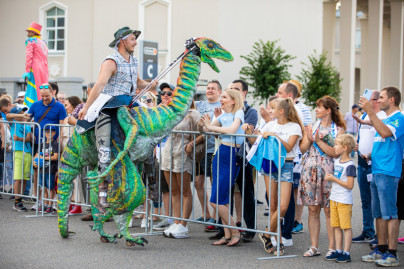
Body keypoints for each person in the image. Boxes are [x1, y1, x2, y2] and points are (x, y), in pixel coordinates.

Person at [77, 27, 157, 208]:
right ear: (122, 41)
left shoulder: (134, 60)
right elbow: (99, 85)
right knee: (104, 146)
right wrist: (87, 106)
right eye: (132, 39)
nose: (135, 42)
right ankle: (102, 192)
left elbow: (137, 83)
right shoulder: (110, 61)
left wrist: (149, 84)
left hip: (129, 102)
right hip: (111, 103)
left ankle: (152, 183)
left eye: (135, 39)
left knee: (149, 134)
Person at [245, 98, 303, 255]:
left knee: (283, 206)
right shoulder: (270, 124)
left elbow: (290, 146)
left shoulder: (295, 127)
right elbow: (256, 142)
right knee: (273, 205)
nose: (270, 110)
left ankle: (266, 233)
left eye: (273, 108)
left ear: (281, 111)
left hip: (286, 165)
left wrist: (274, 136)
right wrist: (249, 133)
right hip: (270, 164)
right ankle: (275, 238)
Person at [359, 86, 404, 267]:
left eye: (382, 98)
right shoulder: (385, 118)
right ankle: (381, 248)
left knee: (390, 214)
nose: (378, 101)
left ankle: (392, 254)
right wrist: (371, 154)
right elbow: (381, 141)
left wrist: (371, 112)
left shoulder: (399, 118)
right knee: (378, 213)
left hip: (388, 171)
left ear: (392, 99)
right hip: (377, 169)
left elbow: (386, 133)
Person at [298, 96, 345, 257]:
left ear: (328, 110)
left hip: (329, 170)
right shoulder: (312, 126)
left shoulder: (338, 129)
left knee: (328, 210)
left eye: (319, 107)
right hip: (310, 169)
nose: (316, 110)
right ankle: (314, 246)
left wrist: (317, 141)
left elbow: (335, 153)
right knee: (312, 209)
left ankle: (332, 247)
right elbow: (303, 149)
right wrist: (308, 138)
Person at [7, 83, 67, 210]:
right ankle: (38, 199)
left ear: (52, 93)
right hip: (38, 143)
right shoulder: (35, 105)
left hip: (53, 144)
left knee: (53, 173)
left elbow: (62, 126)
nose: (44, 98)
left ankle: (52, 201)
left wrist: (60, 144)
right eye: (43, 96)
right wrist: (19, 115)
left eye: (47, 96)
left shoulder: (59, 107)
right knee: (37, 171)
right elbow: (26, 119)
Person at [199, 88, 244, 247]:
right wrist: (206, 123)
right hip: (221, 153)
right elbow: (207, 130)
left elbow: (231, 130)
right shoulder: (222, 115)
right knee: (222, 200)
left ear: (233, 100)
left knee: (215, 201)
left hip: (232, 154)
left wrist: (211, 126)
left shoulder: (238, 113)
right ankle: (227, 234)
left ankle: (235, 231)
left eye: (224, 97)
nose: (221, 99)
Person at [274, 80, 313, 245]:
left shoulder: (296, 111)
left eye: (280, 93)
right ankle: (279, 231)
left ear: (288, 96)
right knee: (279, 199)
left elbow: (298, 137)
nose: (277, 95)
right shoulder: (280, 114)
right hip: (278, 160)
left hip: (290, 160)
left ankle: (285, 233)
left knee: (287, 199)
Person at [161, 100, 200, 239]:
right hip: (168, 151)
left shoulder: (193, 113)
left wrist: (192, 143)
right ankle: (177, 222)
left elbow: (204, 132)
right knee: (174, 190)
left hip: (182, 151)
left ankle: (184, 224)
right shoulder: (171, 112)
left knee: (185, 190)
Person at [351, 90, 385, 243]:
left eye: (367, 100)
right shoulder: (364, 116)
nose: (363, 103)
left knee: (377, 201)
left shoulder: (381, 117)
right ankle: (368, 231)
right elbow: (362, 134)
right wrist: (357, 145)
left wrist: (370, 152)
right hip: (362, 163)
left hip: (374, 163)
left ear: (376, 101)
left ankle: (380, 236)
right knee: (365, 201)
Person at [228, 79, 258, 243]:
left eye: (236, 89)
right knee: (226, 192)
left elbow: (249, 131)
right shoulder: (227, 109)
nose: (233, 91)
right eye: (231, 88)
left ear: (244, 92)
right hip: (227, 155)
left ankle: (250, 229)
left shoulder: (250, 111)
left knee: (246, 193)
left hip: (243, 156)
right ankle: (225, 228)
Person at [324, 134, 356, 263]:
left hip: (344, 200)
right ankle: (338, 250)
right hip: (334, 198)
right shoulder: (337, 161)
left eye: (336, 144)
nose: (334, 147)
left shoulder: (350, 165)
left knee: (346, 227)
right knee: (336, 226)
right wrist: (332, 177)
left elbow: (350, 185)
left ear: (345, 147)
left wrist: (333, 179)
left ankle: (346, 252)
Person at [194, 80, 222, 226]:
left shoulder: (221, 107)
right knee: (198, 182)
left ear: (219, 92)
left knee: (213, 183)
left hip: (214, 150)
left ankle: (215, 216)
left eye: (213, 89)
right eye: (208, 88)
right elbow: (188, 103)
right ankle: (205, 213)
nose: (210, 90)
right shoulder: (201, 104)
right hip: (201, 150)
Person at [62, 96, 83, 215]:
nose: (66, 107)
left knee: (76, 179)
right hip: (66, 152)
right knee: (68, 179)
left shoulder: (76, 118)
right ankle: (71, 202)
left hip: (74, 150)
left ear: (73, 105)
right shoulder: (66, 118)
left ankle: (78, 204)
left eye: (67, 104)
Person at [9, 106, 32, 212]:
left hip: (27, 152)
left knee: (24, 179)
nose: (24, 114)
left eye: (24, 112)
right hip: (18, 152)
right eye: (21, 112)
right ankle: (16, 201)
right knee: (18, 178)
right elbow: (8, 116)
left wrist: (19, 138)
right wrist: (21, 115)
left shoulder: (27, 125)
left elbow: (28, 138)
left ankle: (20, 200)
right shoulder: (13, 123)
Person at [33, 126, 59, 214]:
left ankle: (50, 205)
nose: (49, 133)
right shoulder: (42, 144)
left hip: (51, 169)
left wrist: (43, 157)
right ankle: (45, 204)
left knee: (50, 188)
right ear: (44, 133)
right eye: (47, 132)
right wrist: (34, 162)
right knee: (43, 187)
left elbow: (55, 157)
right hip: (42, 169)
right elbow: (36, 155)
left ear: (54, 133)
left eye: (51, 131)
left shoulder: (55, 144)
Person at [23, 22, 48, 105]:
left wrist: (27, 71)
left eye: (29, 32)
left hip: (35, 67)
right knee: (42, 87)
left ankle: (32, 105)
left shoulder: (31, 41)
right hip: (44, 68)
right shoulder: (43, 42)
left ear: (33, 33)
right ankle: (42, 104)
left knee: (32, 88)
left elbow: (29, 56)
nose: (28, 33)